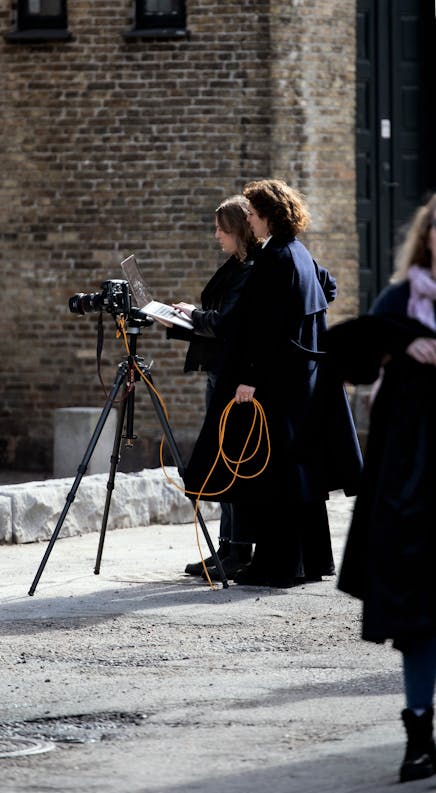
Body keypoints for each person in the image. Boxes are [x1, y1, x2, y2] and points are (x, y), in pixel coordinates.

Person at [182, 178, 362, 587]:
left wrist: (249, 379)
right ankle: (310, 562)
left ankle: (279, 566)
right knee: (301, 475)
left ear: (267, 216)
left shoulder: (274, 260)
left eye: (250, 214)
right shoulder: (298, 253)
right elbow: (325, 289)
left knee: (277, 476)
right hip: (305, 382)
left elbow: (263, 329)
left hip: (280, 385)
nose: (248, 220)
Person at [325, 192, 436, 783]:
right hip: (413, 487)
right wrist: (396, 340)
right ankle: (419, 737)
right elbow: (344, 356)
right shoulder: (401, 299)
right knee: (420, 619)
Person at [169, 195, 259, 578]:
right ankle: (226, 546)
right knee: (223, 460)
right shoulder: (236, 265)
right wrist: (190, 314)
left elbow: (227, 323)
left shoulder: (250, 269)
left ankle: (237, 549)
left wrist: (193, 315)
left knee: (230, 459)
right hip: (220, 372)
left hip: (231, 376)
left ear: (239, 230)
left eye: (221, 229)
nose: (216, 235)